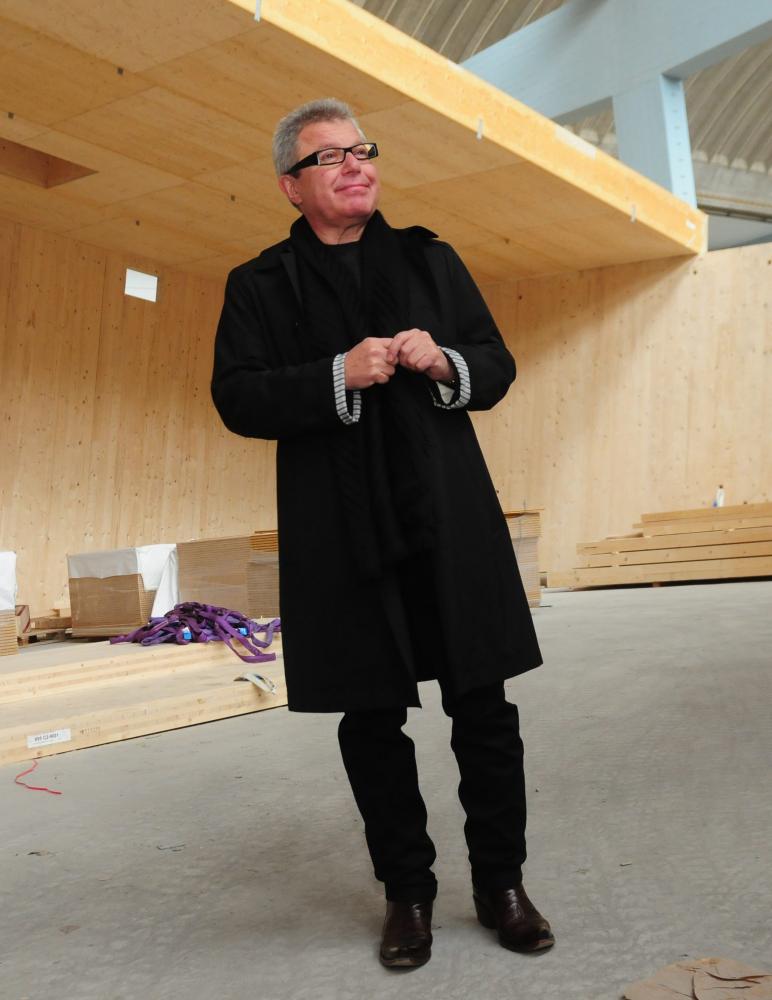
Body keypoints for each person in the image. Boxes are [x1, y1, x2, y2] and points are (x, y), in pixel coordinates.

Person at [211, 98, 554, 969]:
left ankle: (501, 884)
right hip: (343, 532)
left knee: (483, 706)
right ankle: (408, 894)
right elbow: (237, 396)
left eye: (362, 151)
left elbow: (497, 365)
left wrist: (447, 362)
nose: (357, 165)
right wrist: (336, 374)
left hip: (446, 515)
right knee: (371, 720)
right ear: (293, 186)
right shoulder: (257, 285)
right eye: (331, 158)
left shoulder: (430, 259)